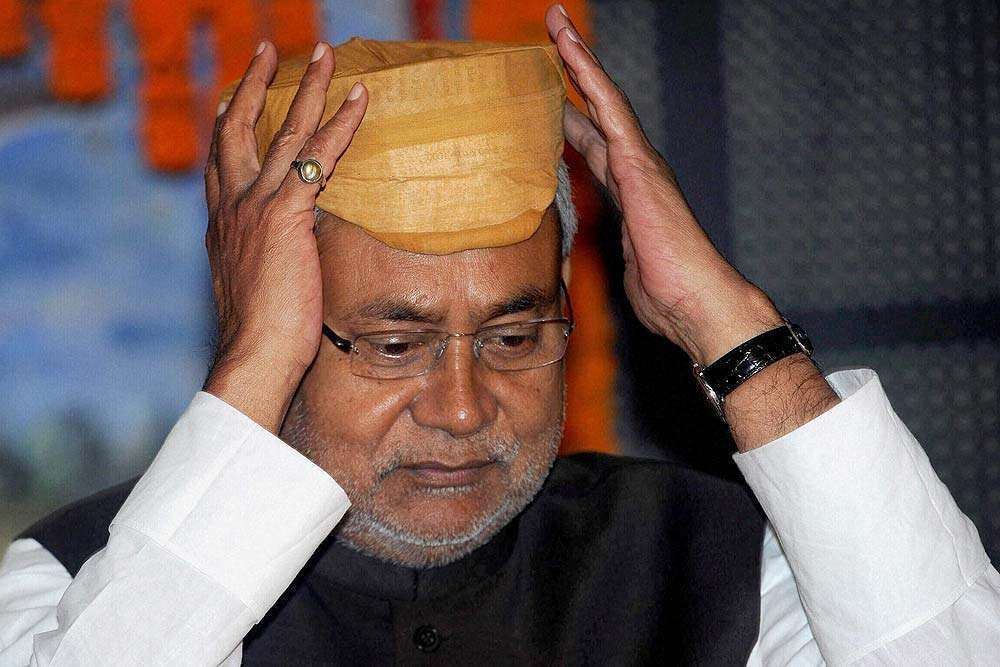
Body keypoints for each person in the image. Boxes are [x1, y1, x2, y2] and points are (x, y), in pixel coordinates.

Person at [1, 6, 998, 665]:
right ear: (276, 328)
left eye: (515, 336)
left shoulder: (716, 561)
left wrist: (729, 325)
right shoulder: (76, 580)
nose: (464, 409)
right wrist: (251, 370)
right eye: (394, 344)